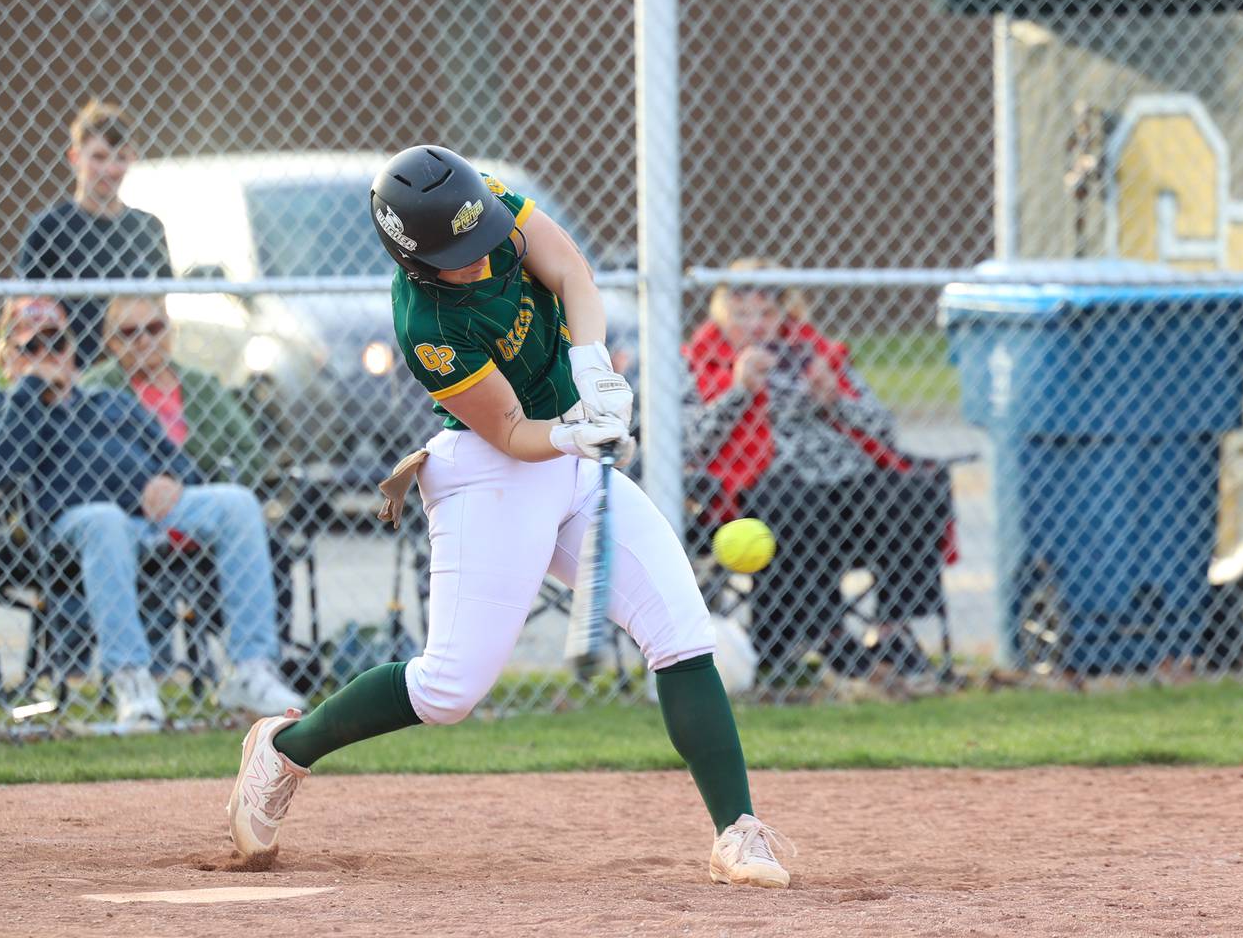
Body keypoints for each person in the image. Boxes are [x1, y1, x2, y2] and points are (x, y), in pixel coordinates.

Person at [225, 146, 793, 887]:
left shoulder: (482, 204)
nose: (479, 256)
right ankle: (285, 748)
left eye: (480, 236)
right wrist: (565, 434)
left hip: (575, 464)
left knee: (682, 632)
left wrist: (592, 366)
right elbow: (510, 433)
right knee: (448, 689)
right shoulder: (426, 319)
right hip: (490, 468)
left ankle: (736, 833)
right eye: (456, 255)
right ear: (416, 260)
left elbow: (572, 274)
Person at [0, 297, 303, 729]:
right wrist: (30, 390)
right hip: (66, 528)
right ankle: (132, 681)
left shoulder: (110, 403)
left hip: (149, 517)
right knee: (106, 519)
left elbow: (179, 464)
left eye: (57, 343)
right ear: (7, 358)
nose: (47, 356)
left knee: (236, 504)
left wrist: (172, 482)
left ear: (73, 350)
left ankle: (252, 670)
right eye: (31, 348)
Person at [682, 259, 953, 682]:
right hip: (754, 486)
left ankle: (891, 631)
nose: (755, 326)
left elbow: (882, 424)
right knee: (796, 503)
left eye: (767, 314)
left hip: (842, 473)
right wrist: (738, 392)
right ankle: (824, 634)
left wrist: (835, 399)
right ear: (721, 317)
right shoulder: (697, 360)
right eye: (741, 315)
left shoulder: (816, 352)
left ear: (787, 314)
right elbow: (689, 443)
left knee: (912, 492)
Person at [16, 99, 172, 367]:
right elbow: (27, 310)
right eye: (98, 157)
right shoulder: (49, 228)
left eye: (120, 157)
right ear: (75, 157)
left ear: (132, 158)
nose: (110, 170)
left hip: (135, 373)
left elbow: (160, 310)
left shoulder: (148, 228)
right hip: (73, 373)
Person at [81, 296, 267, 488]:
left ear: (170, 329)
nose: (145, 341)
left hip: (205, 494)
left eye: (154, 328)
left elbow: (248, 449)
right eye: (130, 333)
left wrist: (219, 487)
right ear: (111, 341)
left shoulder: (202, 384)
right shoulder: (95, 387)